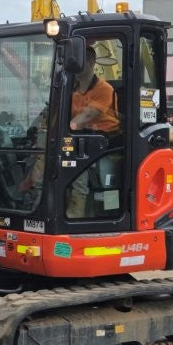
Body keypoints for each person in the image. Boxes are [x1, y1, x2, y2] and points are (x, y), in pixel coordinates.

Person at [67, 45, 120, 218]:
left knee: (81, 176)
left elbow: (84, 117)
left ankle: (83, 216)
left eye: (78, 61)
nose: (74, 65)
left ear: (91, 62)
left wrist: (64, 131)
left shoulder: (104, 89)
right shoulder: (70, 89)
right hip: (80, 140)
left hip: (105, 144)